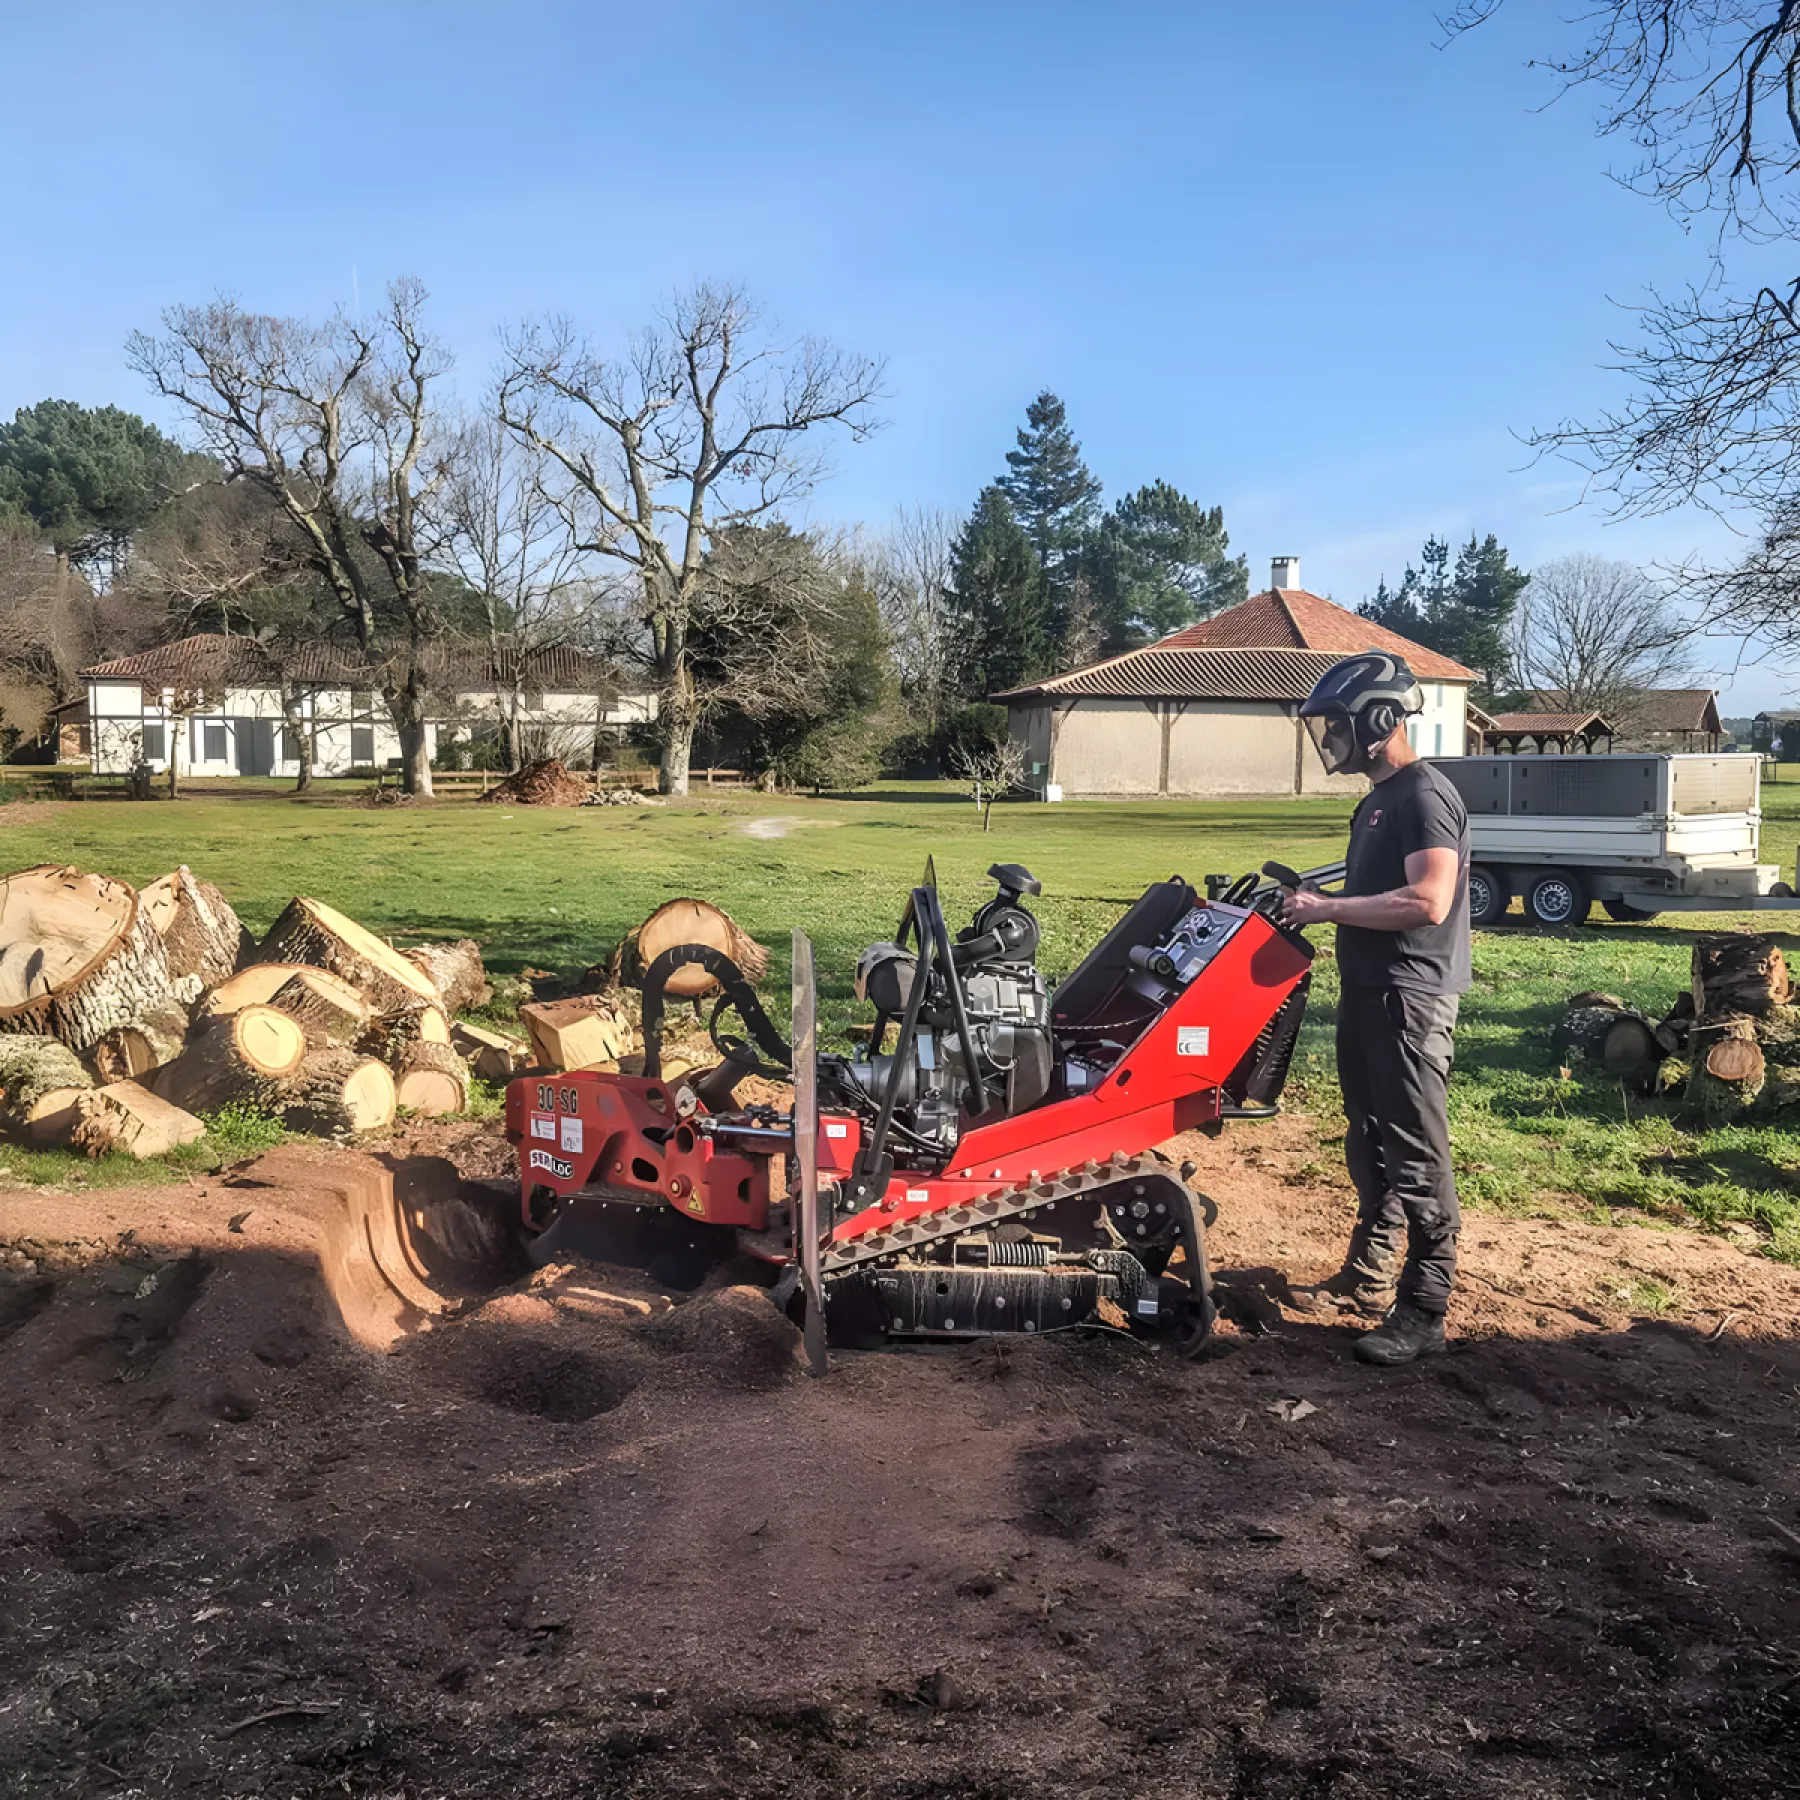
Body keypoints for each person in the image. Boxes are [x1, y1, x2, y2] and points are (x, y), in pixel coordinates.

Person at [1277, 651, 1471, 1366]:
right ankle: (1368, 1274)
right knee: (1370, 1138)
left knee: (1415, 1151)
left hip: (1410, 998)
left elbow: (1428, 900)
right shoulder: (1379, 800)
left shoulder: (1424, 796)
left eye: (1338, 725)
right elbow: (1376, 891)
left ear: (1380, 719)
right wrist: (1320, 898)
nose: (1330, 740)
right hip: (1369, 992)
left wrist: (1327, 910)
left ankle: (1424, 1309)